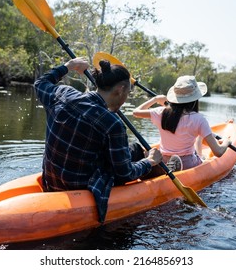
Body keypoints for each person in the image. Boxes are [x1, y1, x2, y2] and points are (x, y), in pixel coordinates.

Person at [34, 57, 162, 222]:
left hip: (51, 182)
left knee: (135, 149)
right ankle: (161, 171)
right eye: (128, 93)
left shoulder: (63, 94)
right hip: (83, 188)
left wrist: (68, 66)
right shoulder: (113, 124)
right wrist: (150, 161)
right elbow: (125, 174)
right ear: (120, 89)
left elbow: (40, 83)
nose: (125, 99)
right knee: (138, 153)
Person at [133, 75, 231, 171]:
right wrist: (227, 142)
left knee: (199, 136)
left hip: (163, 160)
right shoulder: (199, 119)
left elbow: (136, 112)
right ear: (195, 99)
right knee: (201, 153)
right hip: (188, 163)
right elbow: (218, 152)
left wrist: (155, 99)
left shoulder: (161, 112)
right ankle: (184, 162)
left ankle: (168, 166)